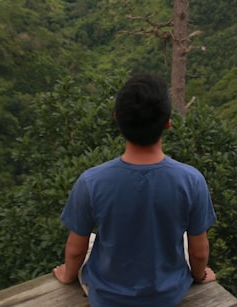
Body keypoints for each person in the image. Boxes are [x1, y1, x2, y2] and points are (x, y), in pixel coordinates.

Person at [53, 73, 217, 306]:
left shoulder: (91, 182)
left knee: (91, 241)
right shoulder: (191, 180)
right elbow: (198, 252)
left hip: (108, 296)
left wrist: (68, 275)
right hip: (168, 295)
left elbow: (76, 249)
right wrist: (200, 275)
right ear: (167, 123)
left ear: (117, 119)